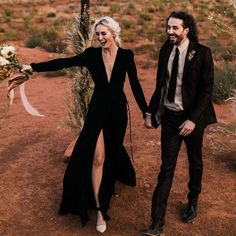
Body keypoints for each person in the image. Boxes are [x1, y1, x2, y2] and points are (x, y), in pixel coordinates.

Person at [22, 16, 147, 233]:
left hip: (118, 112)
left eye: (104, 33)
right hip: (97, 110)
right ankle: (100, 209)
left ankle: (106, 193)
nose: (100, 38)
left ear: (114, 33)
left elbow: (135, 85)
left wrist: (146, 112)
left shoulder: (127, 56)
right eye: (97, 34)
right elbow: (63, 62)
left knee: (112, 157)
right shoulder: (91, 55)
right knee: (98, 158)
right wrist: (32, 66)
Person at [143, 11, 217, 235]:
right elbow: (160, 85)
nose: (170, 32)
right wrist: (150, 111)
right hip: (171, 118)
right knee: (166, 168)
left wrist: (193, 120)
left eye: (175, 28)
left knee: (195, 162)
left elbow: (207, 90)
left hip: (193, 118)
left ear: (186, 30)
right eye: (168, 27)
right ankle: (157, 222)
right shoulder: (165, 50)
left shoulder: (202, 53)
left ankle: (192, 201)